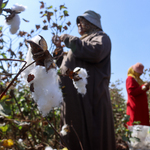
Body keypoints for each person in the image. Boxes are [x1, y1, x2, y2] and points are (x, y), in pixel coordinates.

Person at [52, 10, 116, 150]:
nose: (79, 24)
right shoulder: (80, 43)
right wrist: (58, 51)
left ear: (92, 23)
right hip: (72, 97)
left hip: (90, 97)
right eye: (78, 22)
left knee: (92, 133)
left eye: (82, 21)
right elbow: (66, 65)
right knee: (73, 129)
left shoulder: (101, 37)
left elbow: (96, 52)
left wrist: (69, 39)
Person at [126, 63, 150, 127]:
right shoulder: (130, 79)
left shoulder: (138, 80)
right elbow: (131, 92)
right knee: (136, 124)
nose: (140, 74)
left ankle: (144, 137)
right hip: (135, 107)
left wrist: (148, 85)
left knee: (143, 124)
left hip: (141, 107)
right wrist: (144, 86)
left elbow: (141, 90)